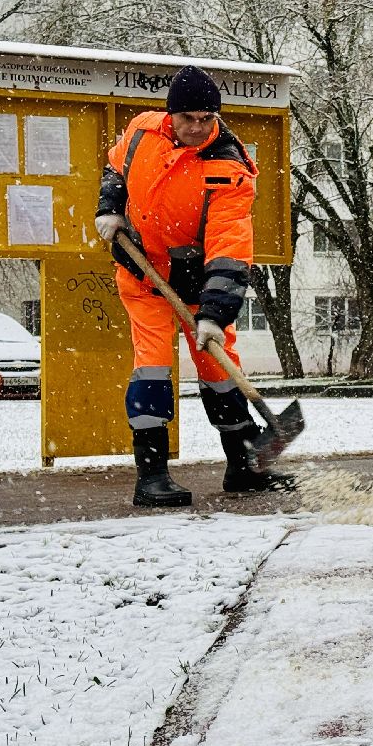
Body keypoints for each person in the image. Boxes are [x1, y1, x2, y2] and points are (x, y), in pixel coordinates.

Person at [94, 64, 292, 506]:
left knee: (220, 369)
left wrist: (215, 314)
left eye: (207, 118)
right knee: (153, 368)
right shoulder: (143, 132)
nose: (198, 128)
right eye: (189, 119)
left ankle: (245, 465)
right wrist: (110, 206)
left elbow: (230, 246)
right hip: (145, 276)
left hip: (199, 282)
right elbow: (115, 166)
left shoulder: (229, 167)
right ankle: (152, 477)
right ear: (171, 116)